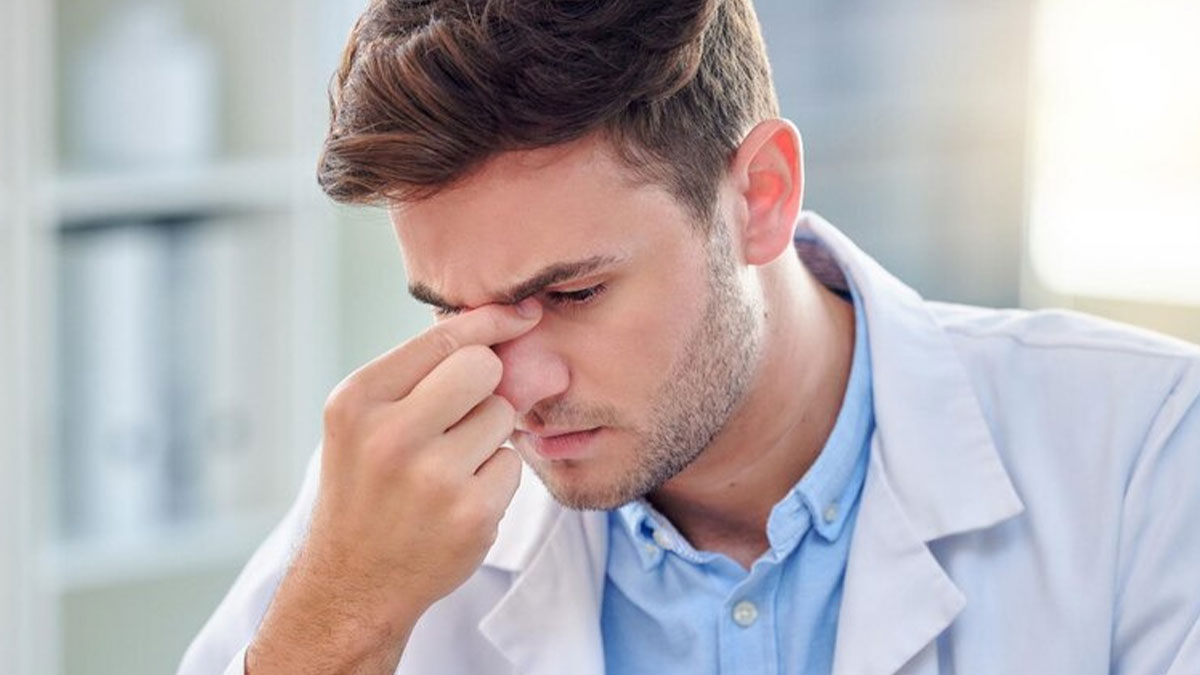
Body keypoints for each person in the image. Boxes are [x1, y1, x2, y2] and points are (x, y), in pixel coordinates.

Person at [178, 1, 1200, 673]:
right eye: (455, 313)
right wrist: (342, 616)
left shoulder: (1147, 452)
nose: (512, 388)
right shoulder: (396, 494)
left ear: (761, 195)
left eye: (572, 293)